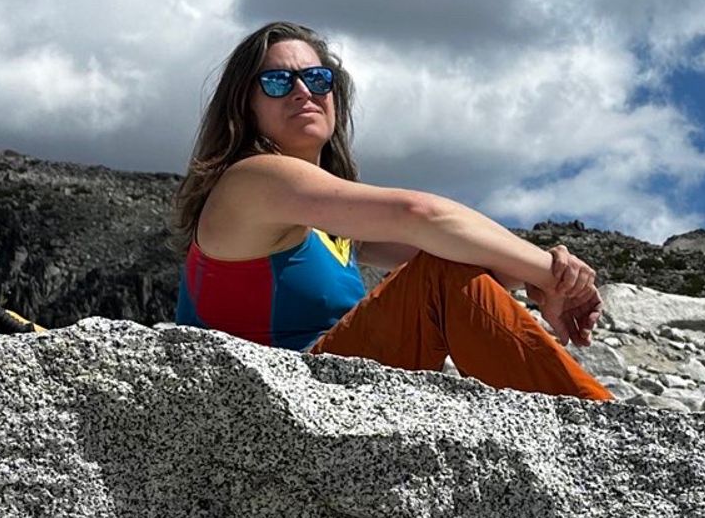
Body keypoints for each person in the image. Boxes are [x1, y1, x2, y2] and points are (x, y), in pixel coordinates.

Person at [173, 20, 612, 401]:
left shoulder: (326, 228)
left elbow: (462, 256)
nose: (303, 92)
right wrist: (551, 274)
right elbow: (418, 214)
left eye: (318, 79)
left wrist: (548, 278)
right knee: (435, 274)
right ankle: (601, 428)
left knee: (443, 262)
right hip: (267, 397)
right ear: (245, 106)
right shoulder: (251, 181)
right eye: (277, 82)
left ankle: (595, 420)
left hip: (323, 385)